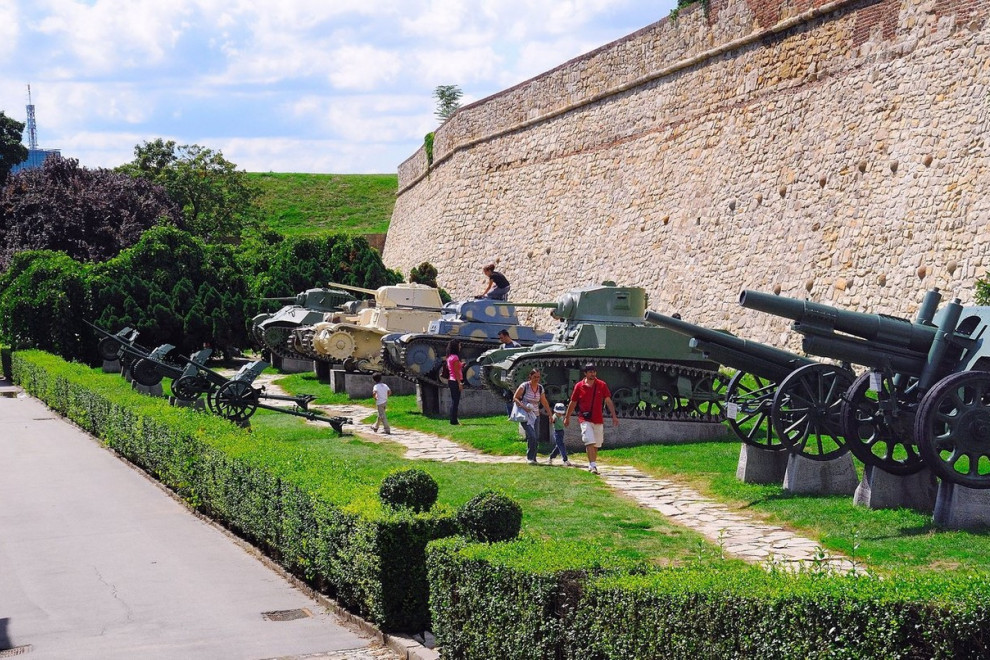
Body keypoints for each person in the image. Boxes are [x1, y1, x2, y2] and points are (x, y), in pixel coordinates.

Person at [564, 363, 618, 474]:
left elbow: (608, 400)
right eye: (590, 372)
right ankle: (592, 465)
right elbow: (573, 402)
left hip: (598, 419)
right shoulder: (579, 386)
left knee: (596, 444)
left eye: (594, 371)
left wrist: (614, 416)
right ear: (585, 373)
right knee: (589, 440)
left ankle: (592, 462)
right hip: (584, 418)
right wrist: (567, 417)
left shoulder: (601, 385)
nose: (592, 374)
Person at [513, 368, 552, 464]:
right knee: (532, 436)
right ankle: (529, 457)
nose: (536, 379)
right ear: (530, 376)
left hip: (536, 415)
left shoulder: (540, 388)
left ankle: (533, 458)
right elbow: (515, 397)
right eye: (534, 377)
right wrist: (523, 406)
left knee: (536, 437)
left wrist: (550, 414)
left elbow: (544, 402)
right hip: (526, 415)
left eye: (538, 377)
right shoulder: (524, 386)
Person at [445, 339, 465, 425]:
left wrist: (461, 365)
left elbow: (454, 368)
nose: (460, 347)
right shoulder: (456, 357)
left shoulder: (449, 357)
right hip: (455, 380)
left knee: (454, 400)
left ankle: (453, 419)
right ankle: (454, 420)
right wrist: (459, 383)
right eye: (459, 345)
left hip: (451, 380)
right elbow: (456, 371)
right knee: (455, 401)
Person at [548, 402, 572, 466]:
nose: (560, 414)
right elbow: (552, 421)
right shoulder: (554, 416)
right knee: (561, 446)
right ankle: (565, 459)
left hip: (561, 431)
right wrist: (551, 419)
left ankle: (551, 457)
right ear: (555, 412)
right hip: (557, 432)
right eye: (559, 413)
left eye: (561, 413)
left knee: (558, 447)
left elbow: (563, 422)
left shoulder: (561, 416)